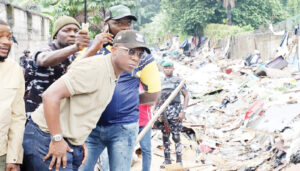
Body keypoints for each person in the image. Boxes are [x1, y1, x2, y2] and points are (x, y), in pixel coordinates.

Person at [22, 30, 150, 171]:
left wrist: (77, 139)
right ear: (114, 49)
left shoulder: (112, 72)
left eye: (140, 54)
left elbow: (76, 81)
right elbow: (50, 96)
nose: (135, 58)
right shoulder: (96, 68)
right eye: (130, 51)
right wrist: (57, 138)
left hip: (67, 140)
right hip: (46, 136)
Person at [79, 5, 161, 171]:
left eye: (128, 23)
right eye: (118, 23)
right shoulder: (95, 49)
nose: (124, 27)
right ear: (107, 24)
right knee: (81, 167)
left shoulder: (142, 56)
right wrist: (94, 47)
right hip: (90, 127)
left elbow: (153, 94)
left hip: (123, 128)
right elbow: (74, 74)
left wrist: (128, 100)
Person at [24, 16, 90, 118]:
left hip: (60, 114)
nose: (72, 34)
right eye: (66, 30)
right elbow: (43, 59)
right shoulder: (44, 49)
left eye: (76, 31)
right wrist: (76, 47)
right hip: (36, 115)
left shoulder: (74, 55)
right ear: (55, 35)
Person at [0, 19, 26, 171]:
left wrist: (14, 157)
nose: (6, 42)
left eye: (9, 37)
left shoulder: (15, 69)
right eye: (0, 36)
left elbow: (17, 116)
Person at [157, 61, 189, 168]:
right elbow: (157, 97)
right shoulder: (160, 82)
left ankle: (179, 160)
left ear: (173, 69)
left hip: (175, 110)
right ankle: (167, 160)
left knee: (176, 136)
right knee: (165, 135)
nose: (168, 70)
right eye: (165, 68)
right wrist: (156, 111)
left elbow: (186, 96)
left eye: (170, 68)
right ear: (162, 70)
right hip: (164, 112)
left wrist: (183, 111)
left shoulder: (178, 81)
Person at [138, 83, 153, 171]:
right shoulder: (128, 82)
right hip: (130, 123)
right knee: (127, 149)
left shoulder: (146, 85)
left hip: (145, 123)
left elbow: (152, 102)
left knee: (146, 149)